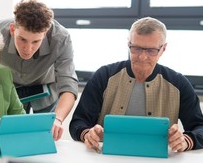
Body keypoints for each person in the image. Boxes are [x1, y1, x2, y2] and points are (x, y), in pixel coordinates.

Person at [69, 17, 203, 153]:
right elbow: (78, 123)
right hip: (107, 155)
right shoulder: (104, 76)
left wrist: (186, 141)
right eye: (136, 48)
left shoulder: (178, 83)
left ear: (163, 49)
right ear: (128, 44)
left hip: (159, 160)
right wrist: (87, 134)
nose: (142, 57)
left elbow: (200, 128)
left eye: (151, 50)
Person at [0, 0, 79, 141]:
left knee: (44, 136)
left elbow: (68, 84)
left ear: (44, 33)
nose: (28, 49)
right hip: (10, 90)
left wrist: (57, 120)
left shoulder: (61, 38)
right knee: (9, 137)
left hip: (46, 91)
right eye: (22, 39)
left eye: (36, 41)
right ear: (13, 29)